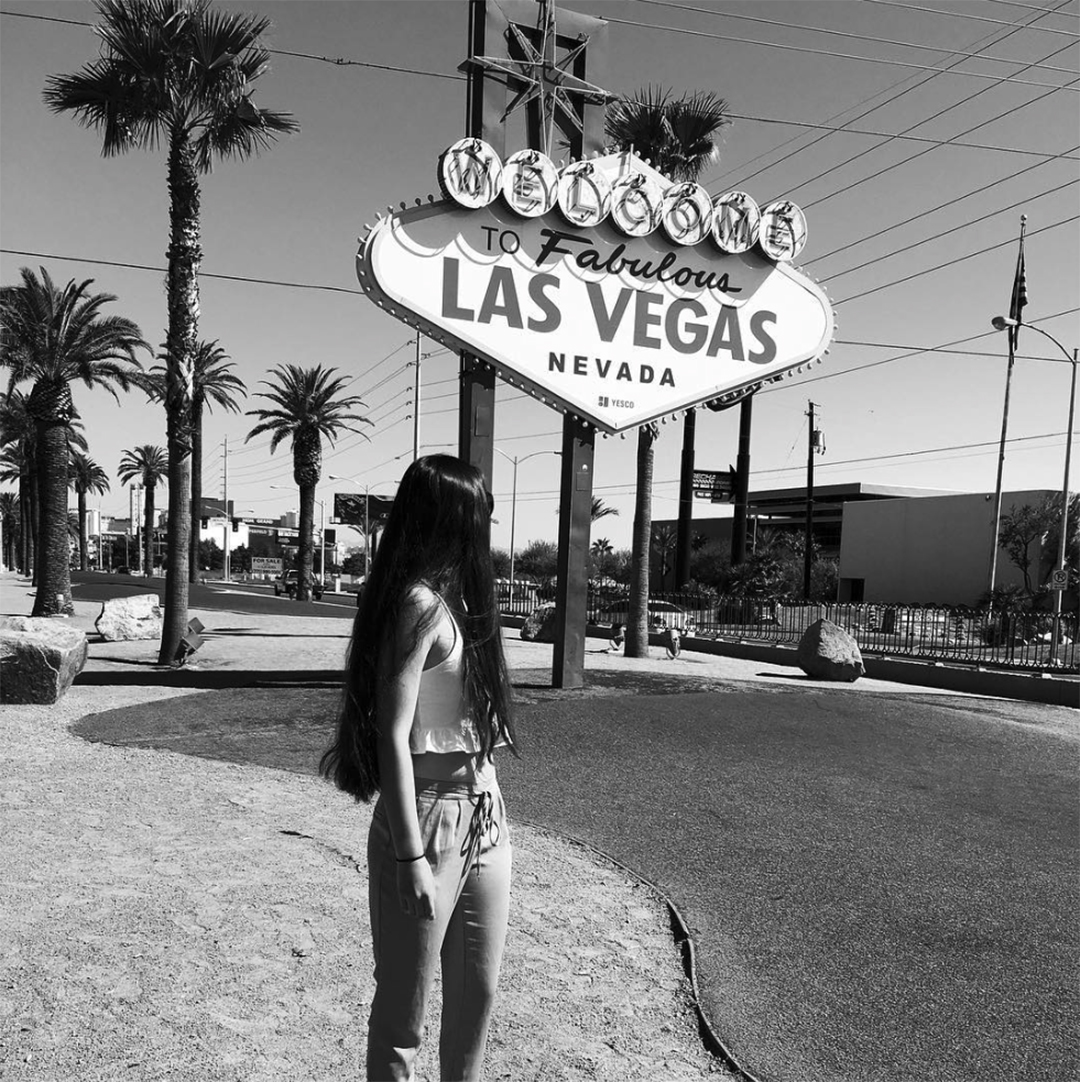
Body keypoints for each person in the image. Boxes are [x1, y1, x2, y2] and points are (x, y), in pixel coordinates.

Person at [321, 454, 518, 1082]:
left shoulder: (457, 601)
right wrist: (409, 855)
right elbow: (393, 735)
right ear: (447, 520)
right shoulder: (417, 603)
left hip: (485, 814)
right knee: (405, 1009)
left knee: (476, 993)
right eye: (477, 513)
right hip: (428, 816)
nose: (487, 525)